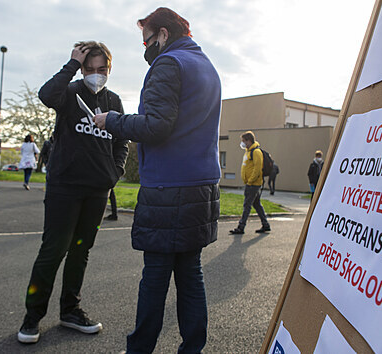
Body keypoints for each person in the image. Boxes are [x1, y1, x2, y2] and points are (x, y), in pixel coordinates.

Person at [94, 7, 221, 353]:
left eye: (147, 40)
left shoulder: (169, 63)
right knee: (190, 274)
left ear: (163, 34)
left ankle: (140, 349)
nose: (146, 48)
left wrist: (113, 120)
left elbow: (156, 125)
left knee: (155, 276)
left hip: (169, 186)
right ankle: (192, 347)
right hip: (202, 185)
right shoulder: (206, 65)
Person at [17, 40, 129, 344]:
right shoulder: (69, 92)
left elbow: (121, 141)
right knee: (53, 251)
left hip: (98, 189)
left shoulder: (115, 101)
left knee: (81, 251)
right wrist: (70, 65)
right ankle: (32, 317)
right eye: (89, 68)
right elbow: (46, 95)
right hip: (64, 186)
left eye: (101, 69)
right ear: (81, 68)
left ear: (109, 68)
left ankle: (71, 310)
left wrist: (114, 172)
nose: (96, 74)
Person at [229, 131, 271, 235]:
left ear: (249, 140)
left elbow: (257, 169)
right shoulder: (248, 151)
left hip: (253, 184)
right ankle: (265, 225)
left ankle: (241, 227)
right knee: (256, 205)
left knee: (247, 205)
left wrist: (250, 181)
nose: (242, 143)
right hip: (250, 183)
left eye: (243, 141)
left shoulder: (256, 152)